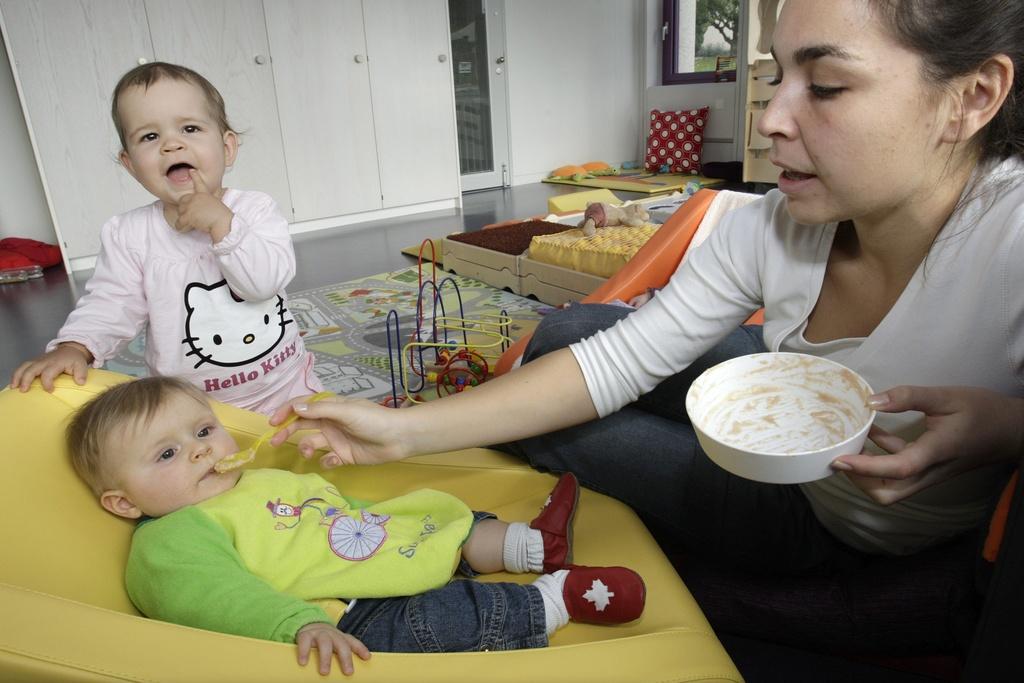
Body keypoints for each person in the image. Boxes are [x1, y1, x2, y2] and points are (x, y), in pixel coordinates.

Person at [265, 0, 1024, 588]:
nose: (770, 119)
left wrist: (1008, 427)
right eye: (778, 75)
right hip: (778, 423)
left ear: (971, 96)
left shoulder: (1011, 238)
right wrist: (403, 431)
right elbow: (620, 359)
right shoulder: (769, 223)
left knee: (559, 427)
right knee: (567, 333)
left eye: (824, 85)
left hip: (829, 521)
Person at [68, 376, 646, 676]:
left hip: (368, 544)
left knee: (443, 518)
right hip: (345, 606)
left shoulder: (253, 478)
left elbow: (327, 507)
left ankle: (530, 545)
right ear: (123, 503)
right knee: (428, 624)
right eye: (165, 456)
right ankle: (556, 600)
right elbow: (218, 599)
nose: (199, 452)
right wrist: (299, 625)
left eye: (201, 432)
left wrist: (379, 518)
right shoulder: (170, 539)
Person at [9, 62, 319, 415]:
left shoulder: (255, 210)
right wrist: (76, 347)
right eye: (150, 137)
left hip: (286, 386)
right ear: (130, 164)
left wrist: (222, 223)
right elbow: (111, 303)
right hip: (192, 406)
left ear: (227, 147)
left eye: (190, 128)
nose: (172, 144)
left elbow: (264, 283)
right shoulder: (129, 235)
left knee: (322, 452)